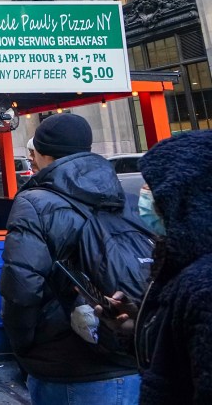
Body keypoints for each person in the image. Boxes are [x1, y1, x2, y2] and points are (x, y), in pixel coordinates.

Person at [0, 114, 140, 404]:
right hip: (129, 357)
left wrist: (24, 347)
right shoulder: (124, 194)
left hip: (65, 367)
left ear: (42, 153)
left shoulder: (34, 202)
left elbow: (21, 289)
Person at [99, 131, 212, 404]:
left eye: (154, 189)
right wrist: (140, 324)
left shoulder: (202, 285)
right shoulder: (182, 265)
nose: (145, 197)